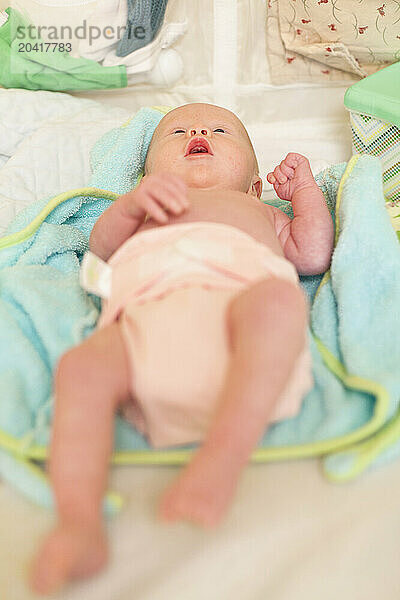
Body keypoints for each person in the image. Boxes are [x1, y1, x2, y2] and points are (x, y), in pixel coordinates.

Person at [31, 102, 334, 595]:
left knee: (278, 301)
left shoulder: (259, 211)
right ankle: (79, 523)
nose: (197, 131)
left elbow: (313, 254)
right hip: (149, 330)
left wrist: (303, 195)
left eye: (220, 129)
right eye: (176, 131)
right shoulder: (142, 211)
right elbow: (100, 258)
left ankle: (222, 456)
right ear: (145, 177)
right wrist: (130, 206)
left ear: (254, 184)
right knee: (81, 367)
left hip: (243, 331)